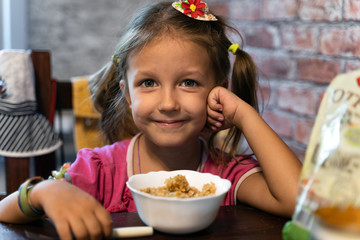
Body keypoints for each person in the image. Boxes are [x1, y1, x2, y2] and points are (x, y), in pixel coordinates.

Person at [0, 1, 302, 239]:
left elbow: (297, 201)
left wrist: (243, 114)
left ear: (217, 91)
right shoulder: (100, 171)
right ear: (127, 94)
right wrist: (45, 191)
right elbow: (5, 211)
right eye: (148, 83)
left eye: (189, 83)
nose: (168, 103)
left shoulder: (224, 175)